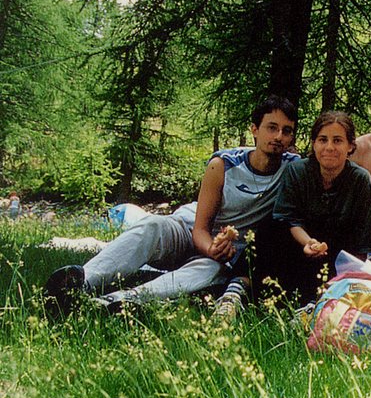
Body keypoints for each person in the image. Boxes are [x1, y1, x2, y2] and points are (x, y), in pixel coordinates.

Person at [44, 96, 299, 313]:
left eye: (286, 131)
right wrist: (210, 246)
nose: (278, 136)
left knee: (212, 271)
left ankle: (117, 301)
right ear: (255, 129)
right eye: (271, 127)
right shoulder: (223, 164)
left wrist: (215, 252)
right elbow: (200, 228)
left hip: (224, 253)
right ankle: (80, 282)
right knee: (152, 225)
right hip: (188, 231)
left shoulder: (293, 170)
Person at [254, 111, 371, 302]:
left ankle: (318, 300)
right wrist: (308, 242)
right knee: (269, 228)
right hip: (299, 250)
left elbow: (364, 239)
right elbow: (289, 218)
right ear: (314, 143)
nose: (329, 147)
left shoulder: (360, 179)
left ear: (350, 146)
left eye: (337, 141)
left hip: (339, 259)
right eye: (323, 140)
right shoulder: (297, 171)